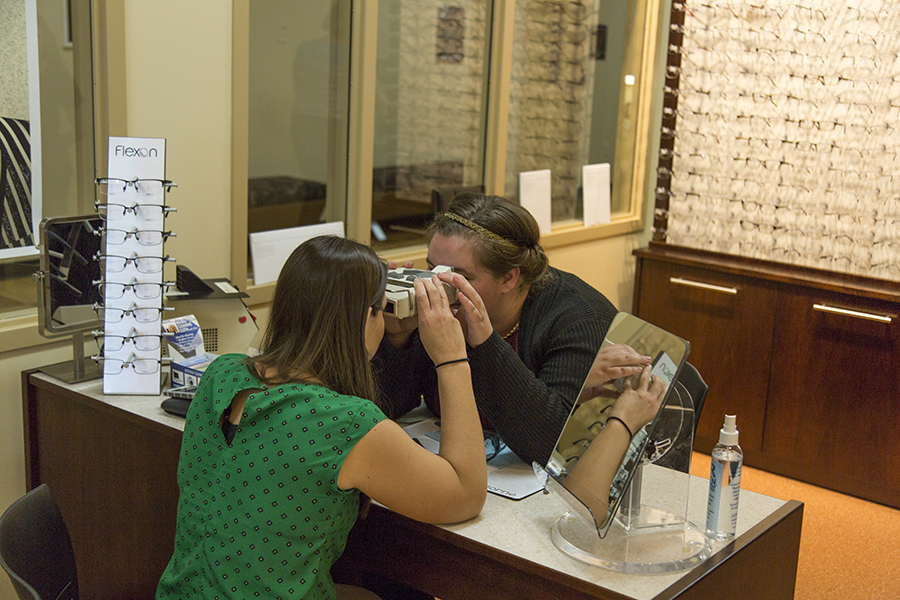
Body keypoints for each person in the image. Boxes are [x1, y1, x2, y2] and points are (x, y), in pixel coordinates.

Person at [156, 236, 486, 600]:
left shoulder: (221, 374)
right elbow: (466, 494)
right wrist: (452, 358)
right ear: (366, 317)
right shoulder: (346, 424)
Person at [374, 193, 651, 466]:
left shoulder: (579, 320)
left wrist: (485, 342)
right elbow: (389, 407)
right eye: (432, 268)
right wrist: (398, 339)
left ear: (509, 277)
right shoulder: (445, 306)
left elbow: (548, 445)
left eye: (458, 276)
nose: (438, 286)